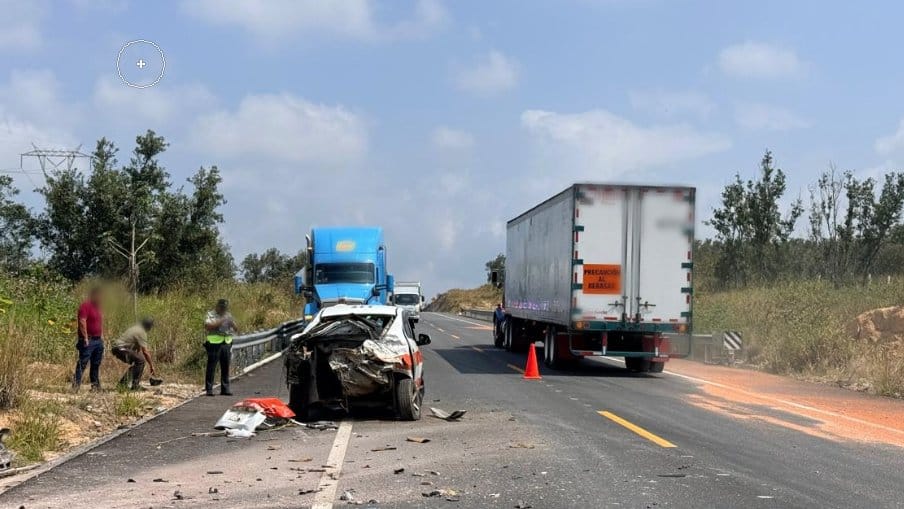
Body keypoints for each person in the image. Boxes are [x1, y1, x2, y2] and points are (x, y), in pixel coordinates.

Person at [204, 299, 239, 396]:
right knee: (211, 367)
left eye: (225, 308)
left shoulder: (228, 315)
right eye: (222, 308)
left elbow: (236, 329)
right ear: (217, 306)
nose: (224, 310)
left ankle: (225, 389)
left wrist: (232, 323)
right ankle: (209, 389)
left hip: (226, 343)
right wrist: (221, 321)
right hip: (214, 343)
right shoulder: (211, 314)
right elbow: (208, 326)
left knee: (225, 366)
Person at [112, 317, 157, 391]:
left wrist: (140, 361)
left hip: (117, 348)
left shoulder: (136, 328)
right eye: (151, 326)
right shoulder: (141, 332)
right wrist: (151, 366)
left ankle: (122, 384)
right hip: (120, 348)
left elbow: (138, 350)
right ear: (148, 326)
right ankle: (135, 385)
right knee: (141, 361)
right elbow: (145, 352)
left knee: (138, 362)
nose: (151, 328)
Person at [74, 287, 104, 391]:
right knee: (82, 363)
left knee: (96, 364)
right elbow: (82, 321)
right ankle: (75, 386)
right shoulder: (85, 306)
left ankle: (95, 386)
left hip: (98, 340)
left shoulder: (98, 308)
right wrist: (85, 338)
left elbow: (98, 323)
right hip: (89, 340)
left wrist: (101, 337)